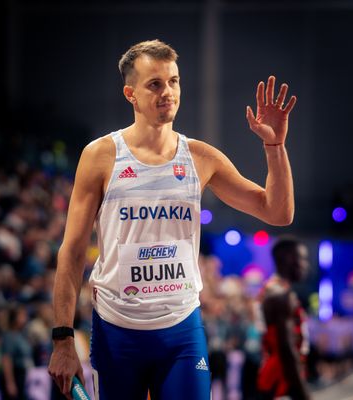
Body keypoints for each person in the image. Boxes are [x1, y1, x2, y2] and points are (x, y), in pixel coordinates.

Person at [48, 39, 297, 400]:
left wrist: (275, 148)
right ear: (130, 94)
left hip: (181, 330)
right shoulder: (101, 156)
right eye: (155, 84)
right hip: (118, 330)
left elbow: (277, 212)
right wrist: (63, 339)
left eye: (174, 81)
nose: (168, 92)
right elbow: (71, 253)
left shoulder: (200, 157)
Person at [257, 236, 311, 400]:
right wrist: (303, 394)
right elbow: (286, 348)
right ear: (289, 258)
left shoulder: (275, 289)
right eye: (302, 258)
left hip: (276, 377)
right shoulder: (280, 295)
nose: (306, 265)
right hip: (281, 380)